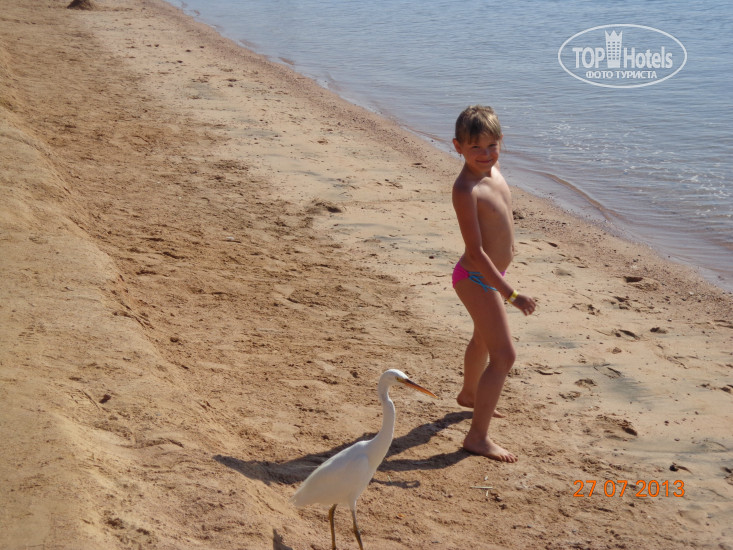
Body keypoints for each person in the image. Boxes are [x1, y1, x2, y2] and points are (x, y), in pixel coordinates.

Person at [451, 105, 536, 462]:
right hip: (477, 279)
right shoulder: (465, 189)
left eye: (491, 146)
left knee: (482, 341)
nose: (485, 154)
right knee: (504, 355)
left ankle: (470, 395)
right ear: (458, 146)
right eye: (475, 148)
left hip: (489, 278)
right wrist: (511, 294)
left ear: (501, 141)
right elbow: (474, 252)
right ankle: (478, 437)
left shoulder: (493, 171)